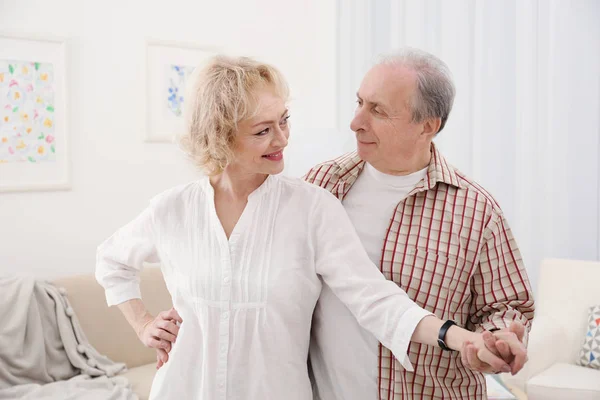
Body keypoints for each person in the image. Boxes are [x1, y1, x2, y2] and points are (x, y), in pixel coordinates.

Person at [96, 55, 515, 400]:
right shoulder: (174, 209)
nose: (282, 139)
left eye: (284, 120)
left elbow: (375, 298)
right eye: (263, 130)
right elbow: (112, 261)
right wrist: (143, 324)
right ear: (221, 137)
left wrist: (457, 338)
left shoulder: (312, 206)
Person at [305, 47, 535, 399]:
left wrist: (498, 340)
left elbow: (505, 306)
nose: (356, 122)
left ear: (428, 126)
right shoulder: (322, 184)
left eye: (378, 110)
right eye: (360, 102)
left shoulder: (476, 210)